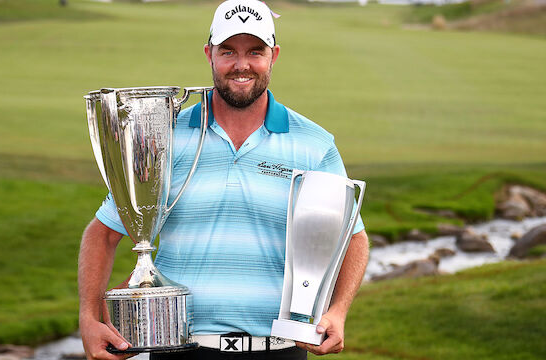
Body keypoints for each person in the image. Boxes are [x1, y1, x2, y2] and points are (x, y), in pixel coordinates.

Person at [78, 1, 369, 359]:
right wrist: (90, 317)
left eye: (255, 51)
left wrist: (337, 312)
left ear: (274, 56)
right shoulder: (164, 136)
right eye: (228, 51)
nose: (241, 64)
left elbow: (352, 239)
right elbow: (103, 233)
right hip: (182, 348)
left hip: (279, 350)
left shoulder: (314, 143)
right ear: (209, 54)